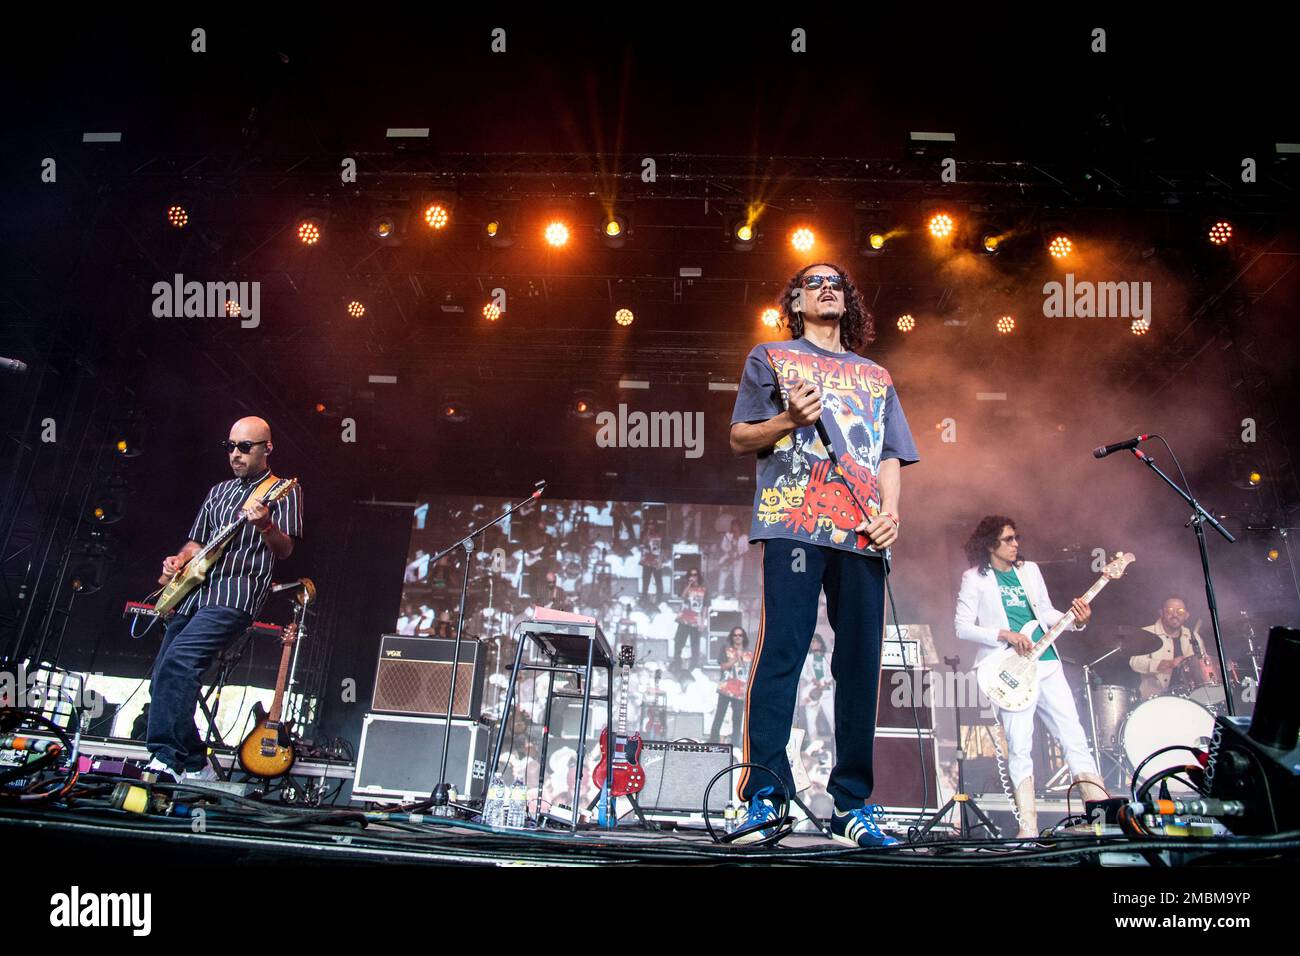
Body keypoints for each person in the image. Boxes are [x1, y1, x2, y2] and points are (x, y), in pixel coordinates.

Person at [729, 262, 919, 848]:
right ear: (796, 301)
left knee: (859, 666)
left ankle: (852, 805)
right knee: (782, 654)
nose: (827, 286)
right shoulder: (771, 358)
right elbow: (740, 436)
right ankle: (765, 795)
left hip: (861, 533)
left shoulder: (876, 375)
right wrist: (790, 419)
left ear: (848, 300)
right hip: (794, 523)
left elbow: (890, 453)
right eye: (813, 282)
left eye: (836, 281)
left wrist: (890, 515)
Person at [146, 417, 303, 782]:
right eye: (231, 446)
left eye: (245, 447)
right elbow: (195, 541)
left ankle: (166, 757)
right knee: (162, 678)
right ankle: (195, 764)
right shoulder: (217, 491)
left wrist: (266, 525)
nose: (235, 454)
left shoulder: (283, 490)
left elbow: (285, 550)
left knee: (180, 663)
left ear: (267, 448)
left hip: (234, 596)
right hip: (192, 595)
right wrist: (179, 559)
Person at [954, 515, 1106, 838]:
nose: (1015, 544)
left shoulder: (1030, 570)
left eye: (1016, 538)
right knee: (1020, 745)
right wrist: (1005, 634)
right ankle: (1029, 828)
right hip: (1010, 668)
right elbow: (962, 627)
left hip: (1047, 662)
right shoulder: (975, 578)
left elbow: (1046, 613)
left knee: (1073, 736)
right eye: (1008, 539)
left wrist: (1076, 619)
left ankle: (1101, 817)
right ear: (990, 544)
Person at [1128, 595, 1209, 698]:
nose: (1175, 615)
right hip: (1154, 699)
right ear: (1161, 613)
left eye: (1180, 611)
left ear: (1186, 615)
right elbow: (1134, 663)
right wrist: (1168, 664)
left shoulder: (1194, 637)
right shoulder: (1146, 633)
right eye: (1169, 611)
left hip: (1190, 699)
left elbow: (1204, 666)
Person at [710, 627, 752, 747]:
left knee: (737, 719)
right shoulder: (726, 649)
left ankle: (735, 745)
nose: (738, 637)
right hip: (726, 687)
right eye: (735, 635)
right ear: (732, 637)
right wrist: (735, 658)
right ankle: (712, 741)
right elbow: (723, 667)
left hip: (740, 690)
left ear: (743, 637)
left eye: (740, 635)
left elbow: (749, 672)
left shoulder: (750, 653)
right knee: (720, 715)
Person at [800, 634, 835, 744]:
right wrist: (812, 679)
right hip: (813, 692)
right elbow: (803, 673)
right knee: (811, 721)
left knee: (832, 719)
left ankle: (836, 745)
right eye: (811, 642)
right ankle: (813, 745)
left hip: (826, 692)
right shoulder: (807, 658)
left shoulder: (828, 656)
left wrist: (825, 681)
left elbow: (834, 672)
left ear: (820, 643)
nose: (812, 643)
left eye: (814, 641)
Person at [673, 567, 708, 671]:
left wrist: (702, 622)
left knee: (695, 644)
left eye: (695, 575)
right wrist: (689, 584)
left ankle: (694, 666)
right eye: (691, 575)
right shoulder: (685, 586)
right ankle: (677, 663)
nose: (693, 577)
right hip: (684, 618)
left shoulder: (704, 588)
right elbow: (683, 596)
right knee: (679, 641)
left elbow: (705, 606)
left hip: (696, 620)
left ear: (698, 576)